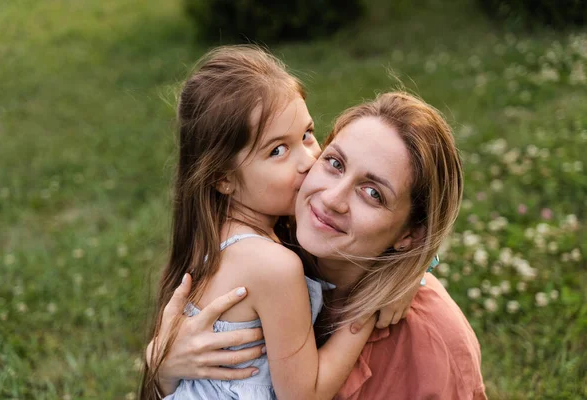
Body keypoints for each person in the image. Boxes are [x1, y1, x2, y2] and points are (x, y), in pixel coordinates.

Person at [147, 90, 487, 399]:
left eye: (372, 193)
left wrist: (407, 275)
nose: (332, 198)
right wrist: (165, 366)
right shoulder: (275, 245)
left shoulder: (433, 344)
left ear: (409, 235)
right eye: (335, 163)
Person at [141, 45, 414, 400]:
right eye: (277, 151)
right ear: (223, 178)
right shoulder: (274, 266)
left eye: (306, 134)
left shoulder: (212, 234)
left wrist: (418, 266)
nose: (308, 161)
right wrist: (374, 298)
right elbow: (306, 396)